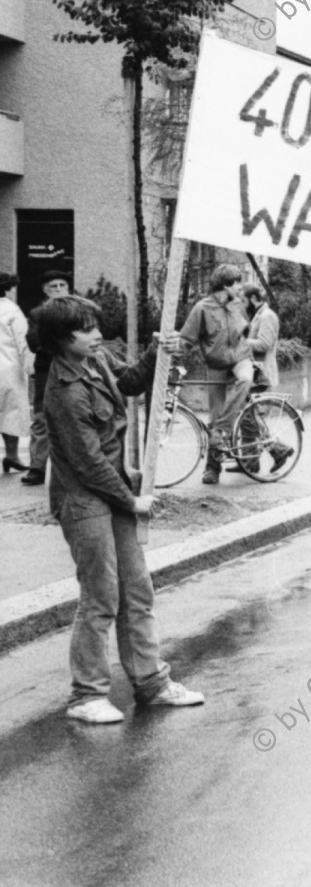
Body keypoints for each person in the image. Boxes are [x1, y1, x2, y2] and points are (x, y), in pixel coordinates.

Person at [35, 295, 203, 722]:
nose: (98, 334)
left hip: (113, 491)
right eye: (87, 329)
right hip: (84, 499)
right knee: (101, 595)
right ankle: (86, 696)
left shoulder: (95, 360)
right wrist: (131, 500)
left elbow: (129, 381)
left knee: (137, 589)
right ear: (60, 339)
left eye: (96, 326)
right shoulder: (64, 392)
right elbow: (88, 462)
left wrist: (156, 352)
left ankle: (152, 682)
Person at [177, 263, 253, 485]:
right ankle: (212, 469)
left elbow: (244, 331)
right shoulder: (202, 308)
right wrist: (173, 354)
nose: (240, 286)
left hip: (240, 358)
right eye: (236, 282)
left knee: (246, 379)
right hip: (216, 365)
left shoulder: (237, 305)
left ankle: (222, 431)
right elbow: (187, 338)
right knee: (215, 413)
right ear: (224, 285)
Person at [21, 269, 73, 486]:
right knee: (42, 419)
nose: (59, 290)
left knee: (74, 416)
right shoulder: (38, 314)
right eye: (54, 286)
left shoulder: (78, 310)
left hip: (74, 369)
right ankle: (37, 467)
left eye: (62, 285)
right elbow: (34, 342)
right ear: (45, 290)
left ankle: (74, 469)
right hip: (47, 370)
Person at [241, 283, 295, 470]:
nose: (242, 304)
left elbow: (264, 344)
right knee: (246, 415)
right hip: (253, 372)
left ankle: (277, 450)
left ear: (254, 299)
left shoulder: (268, 316)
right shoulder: (258, 315)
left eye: (244, 300)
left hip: (261, 374)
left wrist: (240, 343)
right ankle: (249, 460)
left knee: (247, 416)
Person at [0, 273, 31, 472]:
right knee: (11, 411)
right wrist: (29, 365)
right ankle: (12, 454)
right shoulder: (11, 310)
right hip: (8, 369)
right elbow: (23, 341)